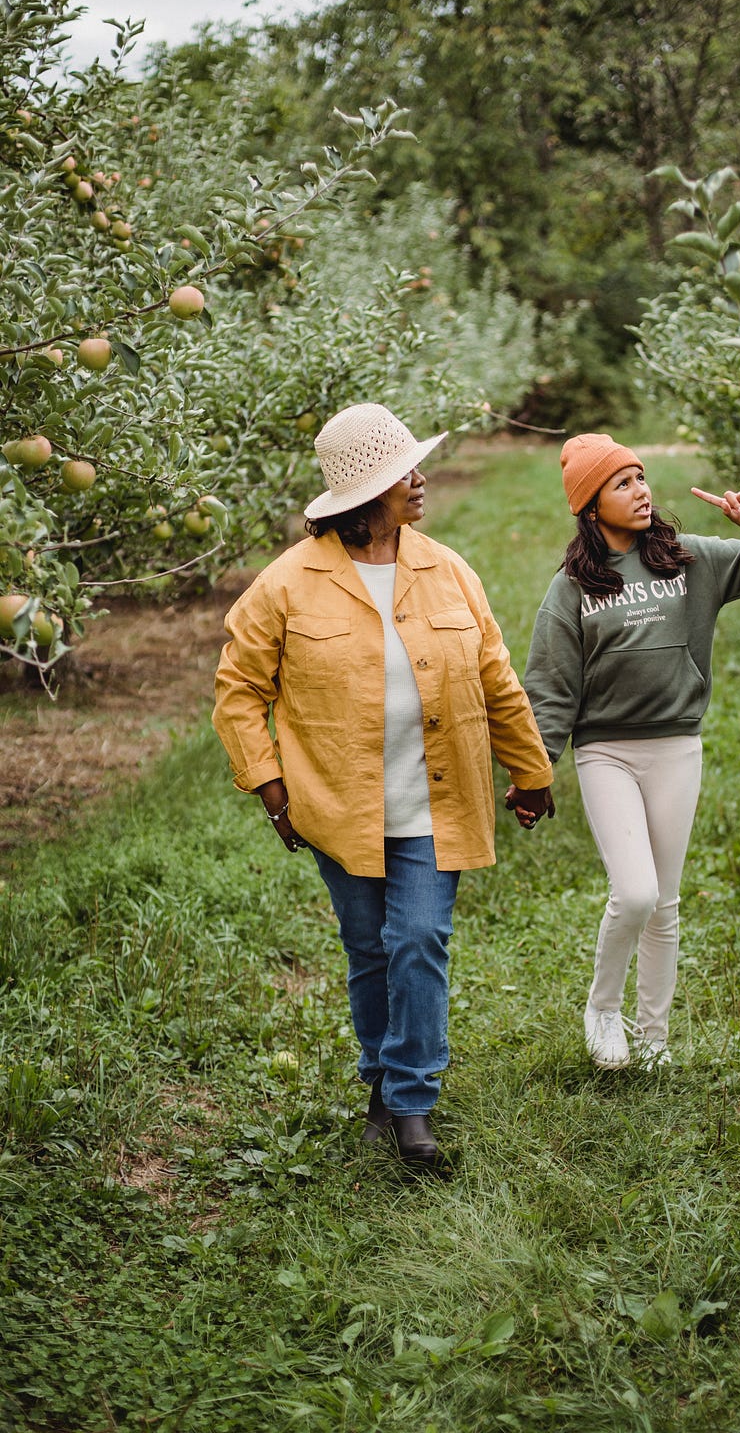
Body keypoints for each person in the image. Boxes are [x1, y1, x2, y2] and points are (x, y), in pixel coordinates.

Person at [212, 402, 554, 1171]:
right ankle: (383, 1081)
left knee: (418, 941)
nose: (421, 479)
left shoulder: (447, 569)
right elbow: (238, 689)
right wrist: (270, 788)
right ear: (368, 491)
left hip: (439, 799)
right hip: (338, 802)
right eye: (405, 471)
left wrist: (529, 769)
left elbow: (497, 679)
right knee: (369, 950)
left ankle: (410, 1105)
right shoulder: (287, 586)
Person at [513, 433, 740, 1070]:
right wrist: (536, 770)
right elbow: (551, 688)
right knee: (635, 892)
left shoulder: (689, 559)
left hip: (675, 747)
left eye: (641, 478)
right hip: (606, 751)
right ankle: (603, 1008)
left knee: (665, 902)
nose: (641, 491)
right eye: (623, 483)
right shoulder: (571, 590)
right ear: (590, 507)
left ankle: (654, 1041)